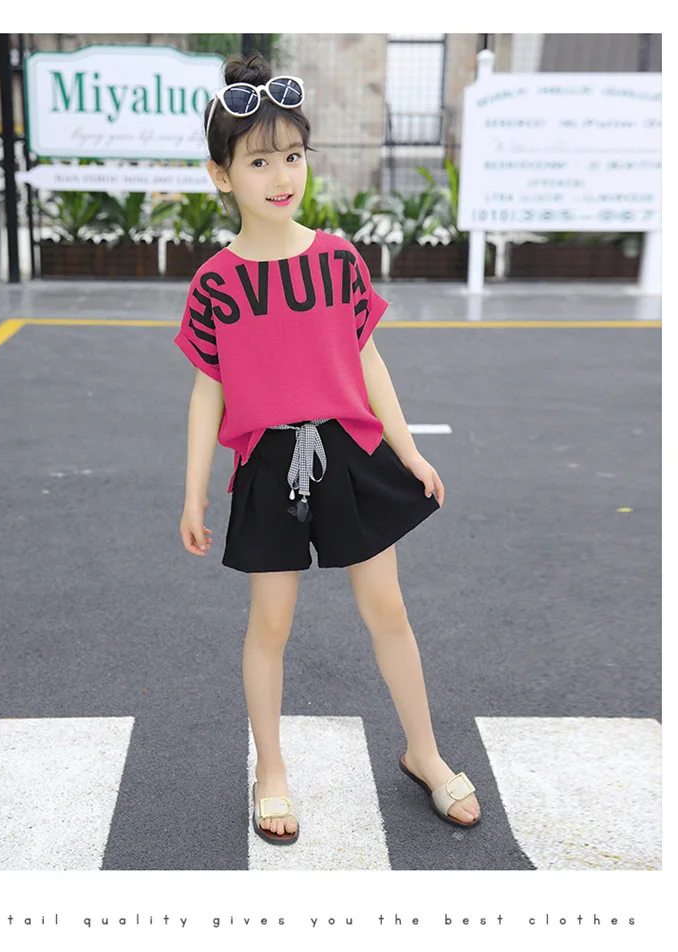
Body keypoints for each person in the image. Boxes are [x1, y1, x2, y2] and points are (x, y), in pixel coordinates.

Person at [175, 52, 481, 845]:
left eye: (292, 155)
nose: (281, 176)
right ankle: (270, 771)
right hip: (267, 466)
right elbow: (208, 390)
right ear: (221, 175)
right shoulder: (215, 283)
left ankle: (424, 752)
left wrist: (406, 451)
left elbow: (368, 359)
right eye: (258, 161)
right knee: (271, 623)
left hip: (348, 453)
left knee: (388, 609)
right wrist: (195, 491)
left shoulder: (338, 259)